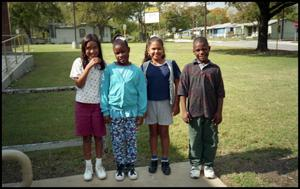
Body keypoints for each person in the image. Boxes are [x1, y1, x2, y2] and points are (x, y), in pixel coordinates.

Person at [100, 35, 147, 181]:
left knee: (131, 140)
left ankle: (131, 166)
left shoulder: (136, 71)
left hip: (131, 112)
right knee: (118, 141)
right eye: (117, 53)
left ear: (129, 50)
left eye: (123, 51)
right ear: (114, 53)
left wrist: (141, 113)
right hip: (114, 113)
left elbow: (142, 93)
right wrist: (105, 111)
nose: (121, 55)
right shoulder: (109, 70)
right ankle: (120, 166)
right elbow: (104, 91)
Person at [177, 36, 225, 179]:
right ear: (193, 51)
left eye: (204, 49)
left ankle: (209, 165)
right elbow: (182, 92)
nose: (201, 52)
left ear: (209, 49)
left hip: (211, 113)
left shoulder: (215, 70)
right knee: (195, 139)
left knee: (211, 140)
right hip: (194, 112)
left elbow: (220, 94)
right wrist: (184, 110)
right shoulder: (188, 68)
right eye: (198, 50)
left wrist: (219, 112)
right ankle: (196, 165)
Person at [141, 36, 181, 175]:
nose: (156, 51)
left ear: (163, 49)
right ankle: (154, 158)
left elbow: (178, 83)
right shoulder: (145, 67)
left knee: (164, 133)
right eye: (153, 49)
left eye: (159, 48)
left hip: (165, 103)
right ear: (148, 50)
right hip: (150, 104)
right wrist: (142, 107)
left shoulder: (170, 64)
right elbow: (140, 88)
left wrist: (176, 104)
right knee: (152, 132)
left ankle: (164, 160)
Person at [69, 33, 107, 181]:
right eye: (88, 48)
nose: (92, 51)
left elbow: (106, 86)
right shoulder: (78, 62)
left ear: (99, 48)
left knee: (99, 137)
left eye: (95, 47)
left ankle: (99, 165)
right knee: (86, 138)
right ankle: (88, 167)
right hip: (82, 105)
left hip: (98, 105)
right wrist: (90, 66)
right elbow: (79, 84)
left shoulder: (103, 65)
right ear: (84, 50)